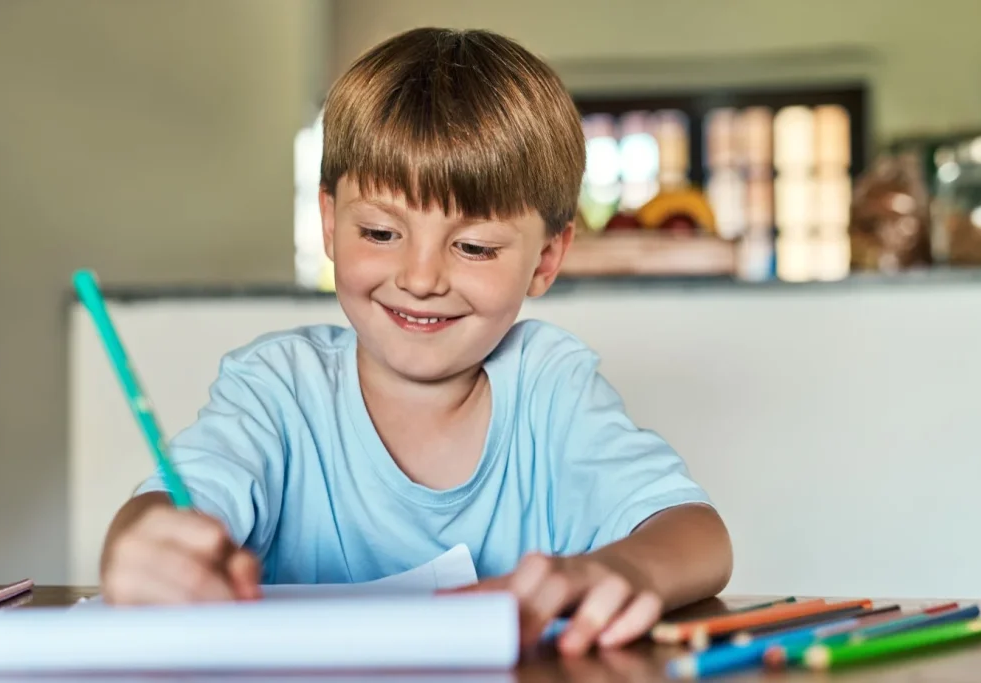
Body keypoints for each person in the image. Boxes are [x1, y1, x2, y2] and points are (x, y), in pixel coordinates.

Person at [98, 26, 733, 656]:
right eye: (378, 233)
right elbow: (174, 501)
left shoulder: (550, 388)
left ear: (545, 259)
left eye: (474, 246)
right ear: (329, 221)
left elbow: (698, 536)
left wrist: (625, 571)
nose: (421, 278)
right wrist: (144, 542)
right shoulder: (278, 388)